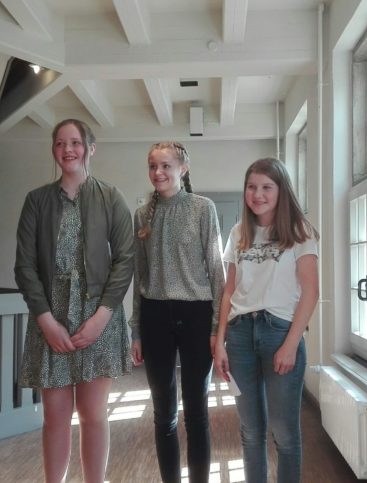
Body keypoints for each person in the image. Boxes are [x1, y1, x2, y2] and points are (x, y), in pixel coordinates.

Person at [14, 118, 134, 483]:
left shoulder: (111, 197)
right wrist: (45, 321)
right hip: (51, 317)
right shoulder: (36, 201)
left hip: (99, 315)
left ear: (90, 148)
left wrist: (101, 317)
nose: (68, 150)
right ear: (54, 150)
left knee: (94, 414)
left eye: (75, 142)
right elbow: (24, 266)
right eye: (60, 143)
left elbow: (125, 260)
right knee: (55, 416)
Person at [213, 157, 319, 483]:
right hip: (240, 335)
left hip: (279, 333)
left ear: (281, 190)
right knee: (250, 431)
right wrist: (220, 342)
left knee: (285, 433)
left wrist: (291, 345)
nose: (257, 194)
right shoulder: (238, 232)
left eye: (266, 187)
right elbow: (229, 291)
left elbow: (311, 292)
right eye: (251, 187)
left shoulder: (299, 231)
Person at [129, 141, 225, 483]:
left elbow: (217, 270)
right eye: (153, 166)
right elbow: (140, 275)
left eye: (165, 166)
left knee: (196, 412)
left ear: (183, 169)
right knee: (163, 414)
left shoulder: (203, 208)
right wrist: (136, 330)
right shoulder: (142, 215)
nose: (158, 172)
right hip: (155, 316)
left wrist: (217, 329)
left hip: (197, 315)